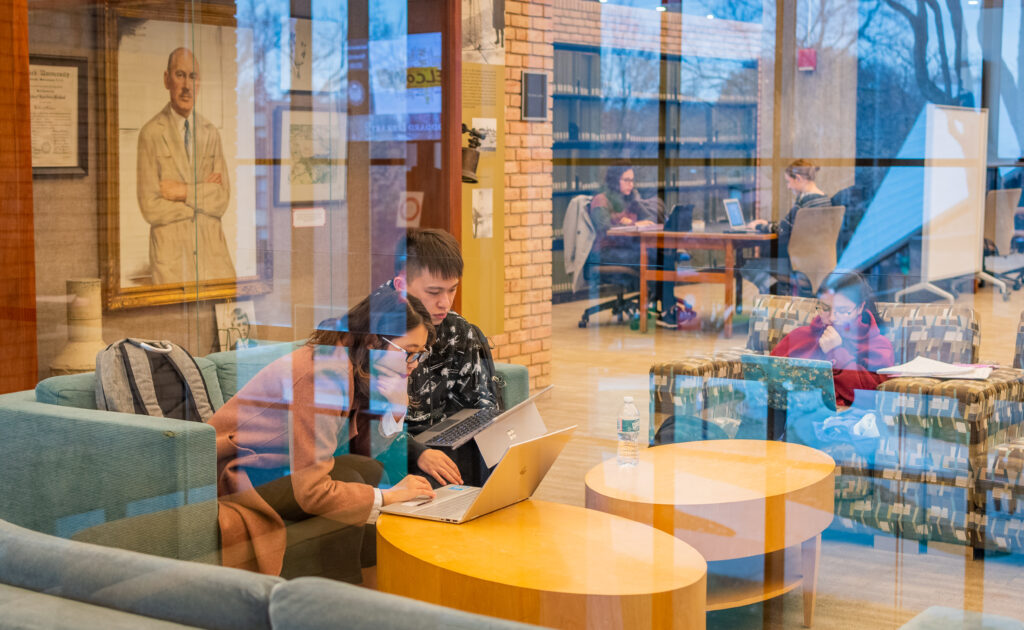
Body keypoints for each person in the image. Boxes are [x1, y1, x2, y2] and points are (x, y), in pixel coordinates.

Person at [211, 290, 437, 580]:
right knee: (354, 478)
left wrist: (394, 407)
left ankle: (372, 586)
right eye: (409, 352)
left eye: (420, 354)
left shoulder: (355, 365)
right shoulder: (324, 375)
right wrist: (387, 498)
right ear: (373, 341)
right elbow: (312, 491)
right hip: (237, 472)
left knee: (368, 469)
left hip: (276, 463)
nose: (414, 364)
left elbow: (366, 451)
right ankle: (338, 599)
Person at [375, 228, 498, 485]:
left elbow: (482, 406)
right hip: (394, 447)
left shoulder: (458, 330)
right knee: (431, 477)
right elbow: (365, 431)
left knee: (502, 458)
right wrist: (416, 452)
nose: (446, 302)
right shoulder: (374, 332)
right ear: (401, 286)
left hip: (444, 441)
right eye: (434, 292)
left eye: (452, 290)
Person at [137, 47, 235, 285]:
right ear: (166, 79)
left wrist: (182, 192)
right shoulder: (151, 134)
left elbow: (221, 199)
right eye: (180, 75)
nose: (187, 85)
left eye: (192, 77)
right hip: (171, 259)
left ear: (199, 83)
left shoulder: (210, 133)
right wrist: (202, 198)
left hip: (213, 256)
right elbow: (150, 207)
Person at [587, 161, 678, 327]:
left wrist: (640, 210)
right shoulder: (601, 200)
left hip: (628, 249)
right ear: (615, 181)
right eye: (626, 180)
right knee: (649, 257)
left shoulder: (631, 200)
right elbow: (604, 226)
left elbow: (650, 219)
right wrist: (628, 225)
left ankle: (667, 308)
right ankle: (664, 309)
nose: (631, 184)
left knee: (663, 256)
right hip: (606, 252)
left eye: (632, 180)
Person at [746, 159, 833, 293]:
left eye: (788, 181)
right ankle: (780, 291)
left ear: (798, 178)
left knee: (748, 266)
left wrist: (757, 227)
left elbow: (782, 230)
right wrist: (767, 224)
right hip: (817, 263)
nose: (788, 186)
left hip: (799, 265)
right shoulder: (824, 199)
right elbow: (789, 225)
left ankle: (778, 294)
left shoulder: (805, 201)